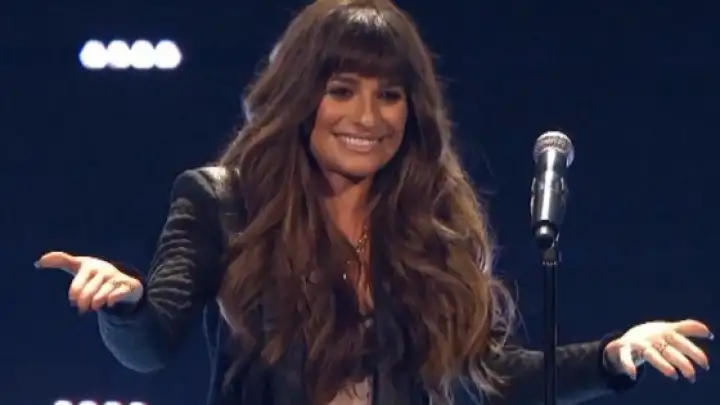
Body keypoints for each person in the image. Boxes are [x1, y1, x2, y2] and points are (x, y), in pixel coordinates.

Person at [37, 1, 711, 404]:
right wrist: (124, 304)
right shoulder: (225, 199)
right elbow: (152, 343)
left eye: (389, 95)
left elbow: (494, 373)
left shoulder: (430, 219)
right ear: (301, 96)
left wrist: (613, 356)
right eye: (342, 90)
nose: (367, 117)